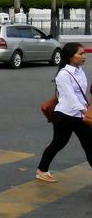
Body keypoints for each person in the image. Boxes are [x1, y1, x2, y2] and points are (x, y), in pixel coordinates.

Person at [37, 42, 92, 183]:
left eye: (84, 53)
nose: (83, 56)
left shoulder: (80, 71)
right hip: (65, 116)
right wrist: (86, 111)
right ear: (70, 57)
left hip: (80, 115)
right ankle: (42, 170)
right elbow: (71, 98)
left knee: (90, 145)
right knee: (58, 143)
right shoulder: (63, 74)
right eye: (80, 54)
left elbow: (81, 94)